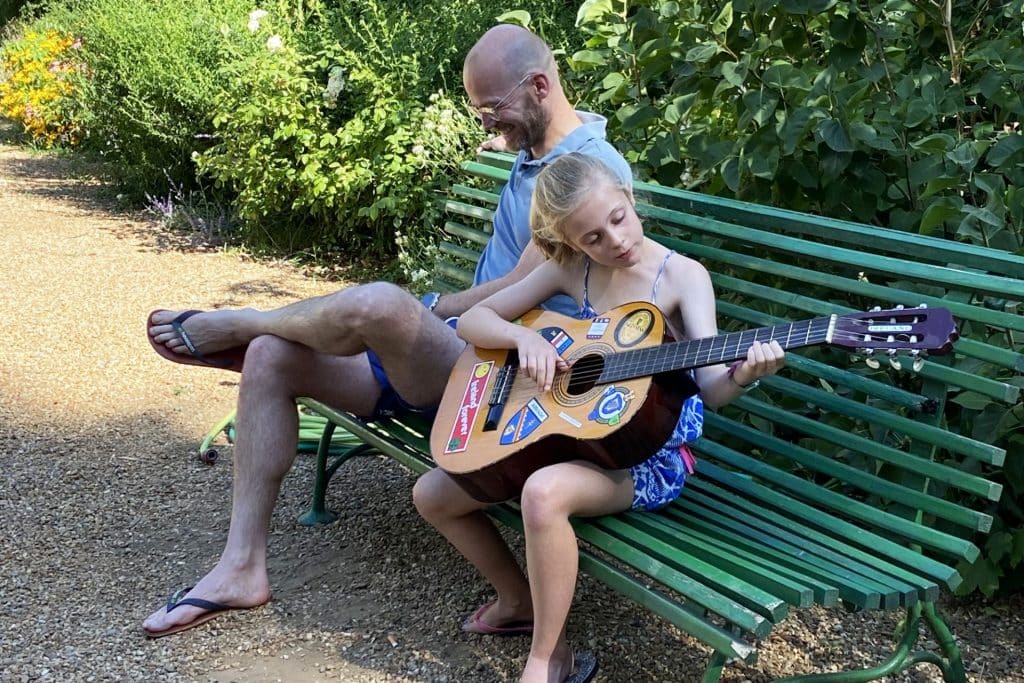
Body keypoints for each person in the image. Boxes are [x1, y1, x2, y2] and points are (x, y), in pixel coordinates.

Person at [141, 24, 633, 638]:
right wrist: (433, 317)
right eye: (479, 111)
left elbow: (513, 296)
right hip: (458, 356)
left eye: (492, 110)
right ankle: (241, 565)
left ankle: (242, 322)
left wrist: (427, 309)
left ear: (539, 86)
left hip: (503, 379)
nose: (486, 125)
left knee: (380, 304)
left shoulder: (585, 173)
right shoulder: (537, 148)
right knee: (270, 357)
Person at [412, 152, 786, 683]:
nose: (614, 241)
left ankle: (548, 660)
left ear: (629, 199)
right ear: (571, 243)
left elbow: (713, 389)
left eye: (617, 219)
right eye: (592, 238)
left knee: (542, 492)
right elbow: (472, 319)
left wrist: (744, 375)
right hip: (579, 438)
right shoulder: (571, 268)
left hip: (647, 458)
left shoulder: (681, 277)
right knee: (432, 494)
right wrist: (523, 338)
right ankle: (517, 600)